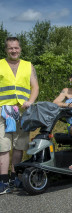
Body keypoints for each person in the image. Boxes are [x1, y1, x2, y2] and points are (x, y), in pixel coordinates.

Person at [0, 37, 39, 194]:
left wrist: (30, 101)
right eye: (10, 48)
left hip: (22, 111)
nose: (13, 51)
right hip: (2, 111)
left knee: (19, 145)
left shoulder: (28, 66)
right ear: (6, 50)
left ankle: (14, 178)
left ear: (20, 49)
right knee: (3, 146)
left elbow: (35, 87)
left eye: (16, 48)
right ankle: (2, 181)